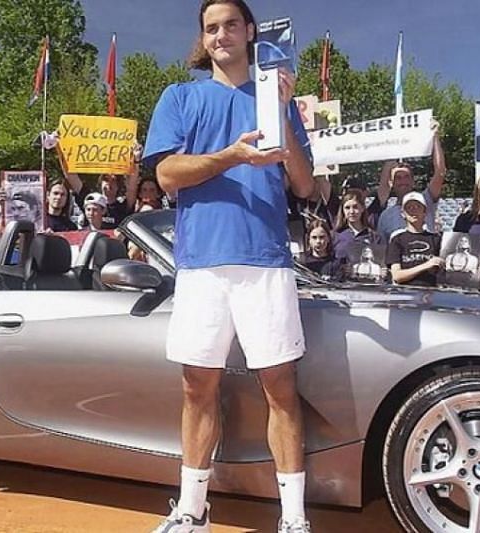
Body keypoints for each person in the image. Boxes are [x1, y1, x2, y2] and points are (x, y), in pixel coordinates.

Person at [143, 1, 315, 531]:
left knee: (280, 389)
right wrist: (232, 156)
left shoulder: (276, 100)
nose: (222, 34)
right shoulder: (181, 96)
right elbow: (168, 174)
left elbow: (306, 185)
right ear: (203, 38)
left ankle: (293, 519)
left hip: (265, 260)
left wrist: (285, 114)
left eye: (231, 25)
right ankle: (192, 510)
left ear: (250, 32)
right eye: (211, 27)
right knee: (198, 386)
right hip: (200, 266)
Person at [375, 120, 446, 243]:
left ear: (413, 181)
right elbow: (382, 252)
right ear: (391, 183)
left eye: (406, 176)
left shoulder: (426, 200)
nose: (403, 181)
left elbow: (440, 172)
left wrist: (435, 136)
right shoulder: (385, 216)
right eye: (398, 177)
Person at [386, 191, 443, 287]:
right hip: (405, 294)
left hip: (430, 294)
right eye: (409, 207)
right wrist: (426, 266)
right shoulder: (397, 239)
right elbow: (397, 276)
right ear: (403, 214)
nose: (413, 211)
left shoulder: (436, 239)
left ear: (425, 212)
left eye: (418, 207)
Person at [331, 190, 380, 261]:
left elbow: (379, 261)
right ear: (342, 210)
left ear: (362, 208)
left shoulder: (374, 237)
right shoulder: (335, 236)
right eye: (347, 208)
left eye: (355, 207)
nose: (351, 211)